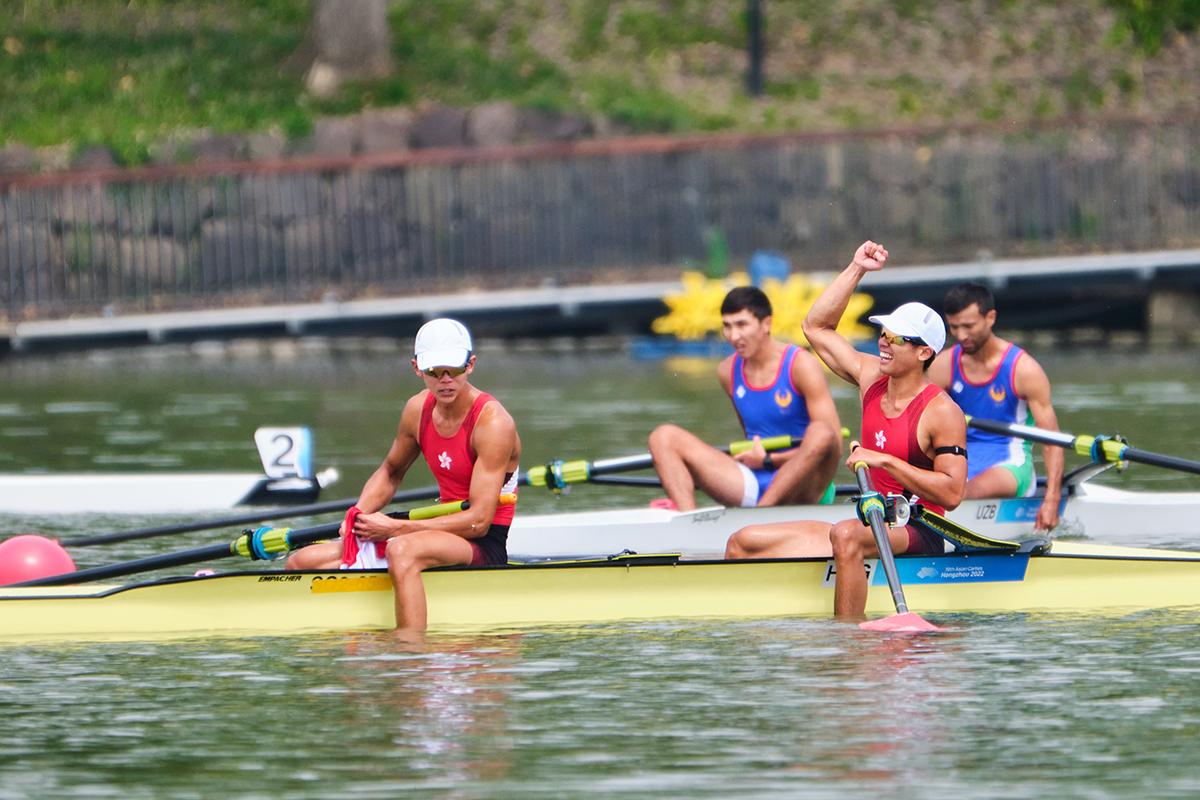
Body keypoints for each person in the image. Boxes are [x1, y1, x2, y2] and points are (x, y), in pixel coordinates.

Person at [725, 241, 967, 620]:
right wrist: (857, 268)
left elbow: (952, 494)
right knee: (743, 542)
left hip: (917, 527)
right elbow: (815, 327)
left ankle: (849, 641)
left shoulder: (941, 411)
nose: (885, 342)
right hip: (866, 520)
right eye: (884, 333)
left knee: (845, 535)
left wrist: (884, 461)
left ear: (923, 353)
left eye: (897, 337)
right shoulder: (870, 376)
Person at [285, 318, 521, 631]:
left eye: (454, 368)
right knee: (300, 562)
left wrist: (395, 528)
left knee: (401, 549)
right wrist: (358, 513)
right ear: (416, 369)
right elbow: (390, 471)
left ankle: (410, 651)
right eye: (434, 371)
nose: (445, 379)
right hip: (434, 531)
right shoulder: (416, 410)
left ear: (471, 365)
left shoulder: (492, 424)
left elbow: (478, 521)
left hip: (482, 543)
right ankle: (333, 629)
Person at [647, 286, 843, 511]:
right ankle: (689, 523)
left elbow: (833, 446)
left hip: (806, 484)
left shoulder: (801, 365)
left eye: (741, 324)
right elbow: (751, 435)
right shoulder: (727, 371)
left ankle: (758, 517)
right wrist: (759, 461)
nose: (733, 336)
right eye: (727, 326)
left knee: (821, 431)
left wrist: (770, 461)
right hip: (756, 479)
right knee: (663, 437)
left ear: (766, 324)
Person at [928, 282, 1063, 530]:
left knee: (962, 493)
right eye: (954, 327)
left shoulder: (1024, 370)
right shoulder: (943, 365)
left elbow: (1052, 441)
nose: (960, 335)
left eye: (968, 326)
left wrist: (1052, 498)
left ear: (990, 318)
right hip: (961, 457)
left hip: (1009, 461)